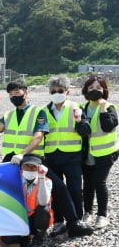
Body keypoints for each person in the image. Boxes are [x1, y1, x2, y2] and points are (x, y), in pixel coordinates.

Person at [0, 81, 93, 238]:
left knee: (59, 187)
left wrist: (23, 154)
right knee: (6, 191)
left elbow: (38, 136)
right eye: (11, 94)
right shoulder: (10, 115)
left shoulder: (39, 112)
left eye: (17, 92)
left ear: (26, 92)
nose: (14, 96)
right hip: (12, 158)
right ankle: (11, 229)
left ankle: (73, 222)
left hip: (32, 157)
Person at [42, 76, 90, 230]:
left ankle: (77, 219)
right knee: (55, 189)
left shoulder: (76, 107)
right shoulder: (44, 111)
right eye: (53, 91)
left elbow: (86, 131)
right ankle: (58, 221)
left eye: (60, 91)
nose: (57, 93)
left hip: (71, 155)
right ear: (49, 92)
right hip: (51, 155)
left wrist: (79, 121)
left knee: (75, 189)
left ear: (67, 92)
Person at [80, 74, 118, 229]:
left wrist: (102, 109)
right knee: (87, 184)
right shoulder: (82, 108)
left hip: (105, 152)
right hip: (86, 152)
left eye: (98, 88)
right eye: (91, 88)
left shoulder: (110, 108)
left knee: (99, 183)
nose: (95, 90)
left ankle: (102, 215)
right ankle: (87, 212)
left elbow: (109, 127)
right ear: (86, 90)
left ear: (104, 90)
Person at [2, 154, 53, 247]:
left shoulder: (46, 181)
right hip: (20, 217)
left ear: (39, 168)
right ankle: (24, 239)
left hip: (37, 219)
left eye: (33, 167)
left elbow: (43, 202)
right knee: (7, 239)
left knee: (43, 209)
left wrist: (41, 177)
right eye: (26, 166)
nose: (29, 169)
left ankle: (38, 239)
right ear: (21, 167)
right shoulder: (14, 179)